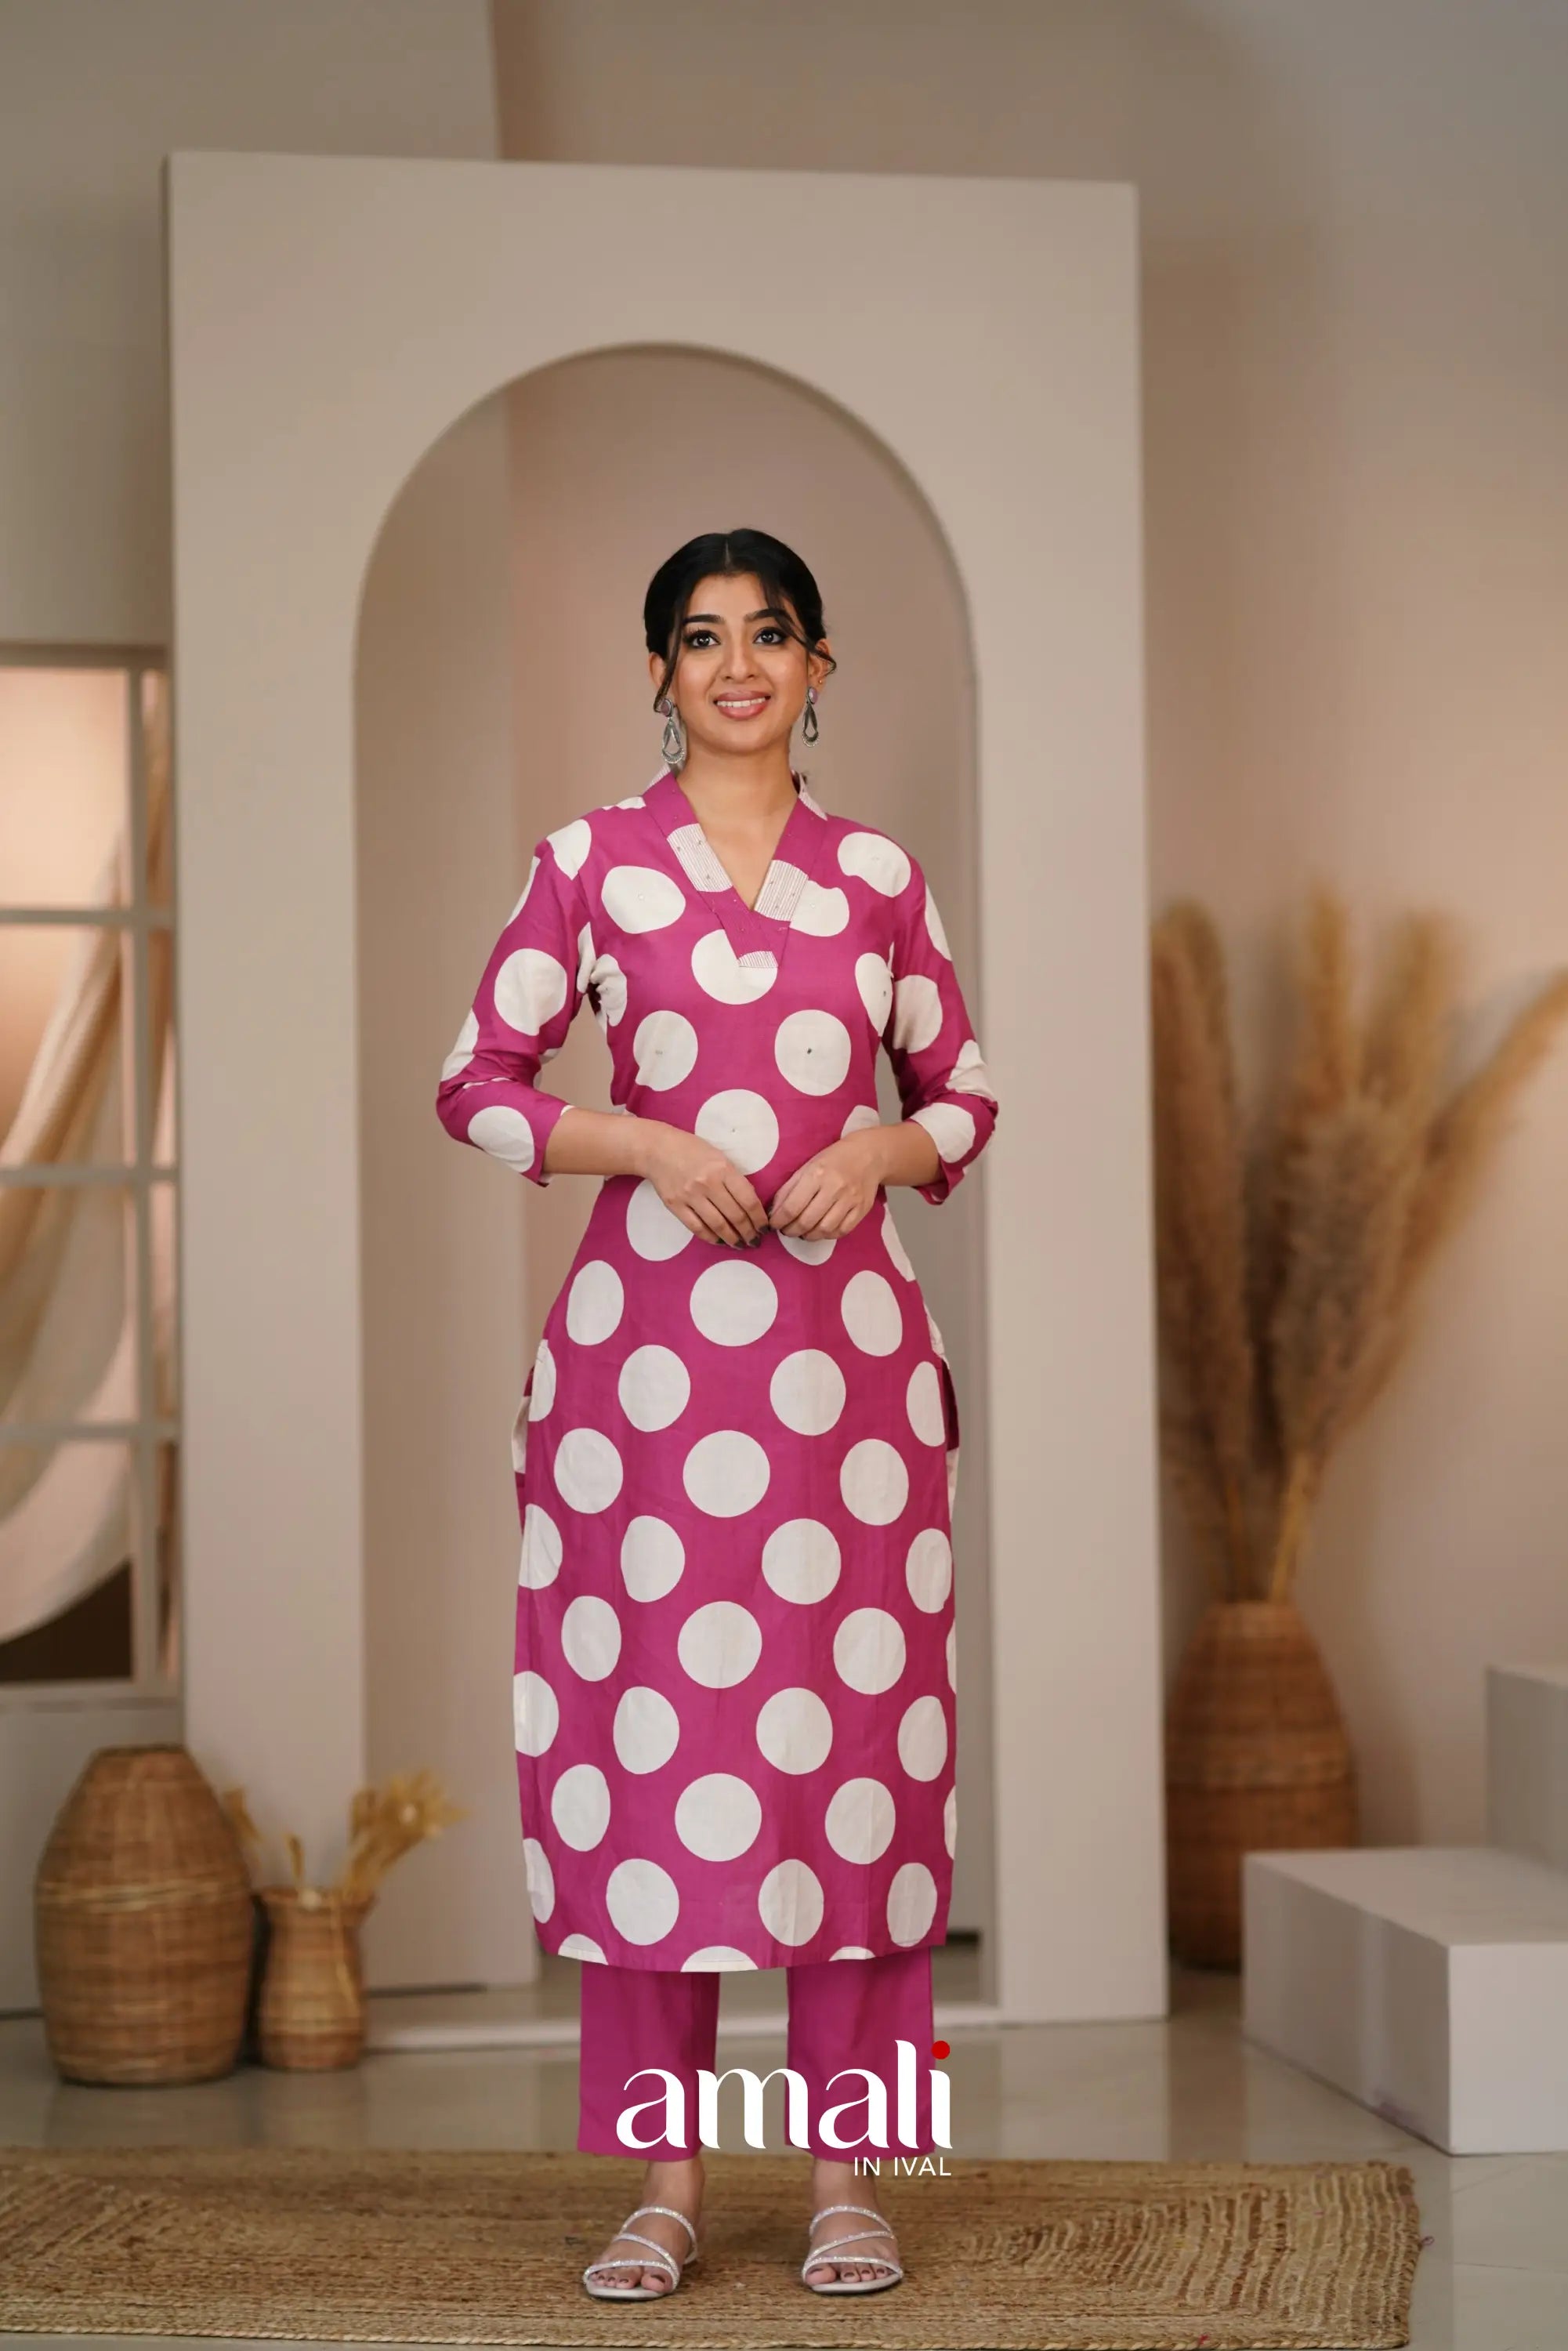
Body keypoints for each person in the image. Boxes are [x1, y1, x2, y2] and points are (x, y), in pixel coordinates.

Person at [434, 527, 998, 2299]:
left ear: (818, 666)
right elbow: (475, 1083)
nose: (736, 664)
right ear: (659, 671)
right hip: (644, 1398)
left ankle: (852, 2183)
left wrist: (881, 1149)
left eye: (769, 634)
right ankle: (664, 2187)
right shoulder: (589, 865)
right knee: (648, 1765)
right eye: (700, 636)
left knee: (858, 1772)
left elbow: (965, 1092)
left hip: (849, 1398)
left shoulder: (879, 877)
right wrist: (648, 1147)